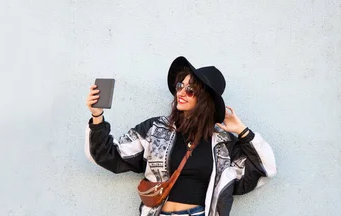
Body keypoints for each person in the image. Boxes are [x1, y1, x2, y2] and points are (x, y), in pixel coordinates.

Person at [84, 56, 277, 216]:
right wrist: (97, 115)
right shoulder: (155, 129)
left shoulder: (223, 144)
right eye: (180, 85)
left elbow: (264, 168)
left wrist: (241, 130)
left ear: (205, 100)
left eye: (191, 90)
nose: (181, 93)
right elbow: (109, 155)